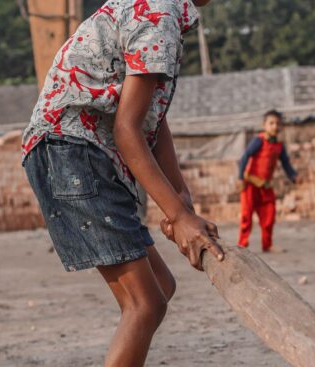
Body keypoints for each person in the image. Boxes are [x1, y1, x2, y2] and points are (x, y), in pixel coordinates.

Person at [21, 1, 223, 366]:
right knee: (143, 304)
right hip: (70, 150)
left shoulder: (162, 12)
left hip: (76, 151)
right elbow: (127, 130)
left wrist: (179, 197)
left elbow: (149, 117)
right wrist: (177, 217)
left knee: (161, 287)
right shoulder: (158, 16)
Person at [237, 110, 297, 252]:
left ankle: (267, 244)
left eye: (277, 123)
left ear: (281, 126)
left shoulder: (279, 146)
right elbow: (245, 157)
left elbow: (286, 163)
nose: (274, 126)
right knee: (247, 216)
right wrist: (240, 177)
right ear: (264, 125)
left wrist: (293, 176)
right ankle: (242, 245)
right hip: (250, 184)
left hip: (265, 186)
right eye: (271, 123)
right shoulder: (258, 140)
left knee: (269, 215)